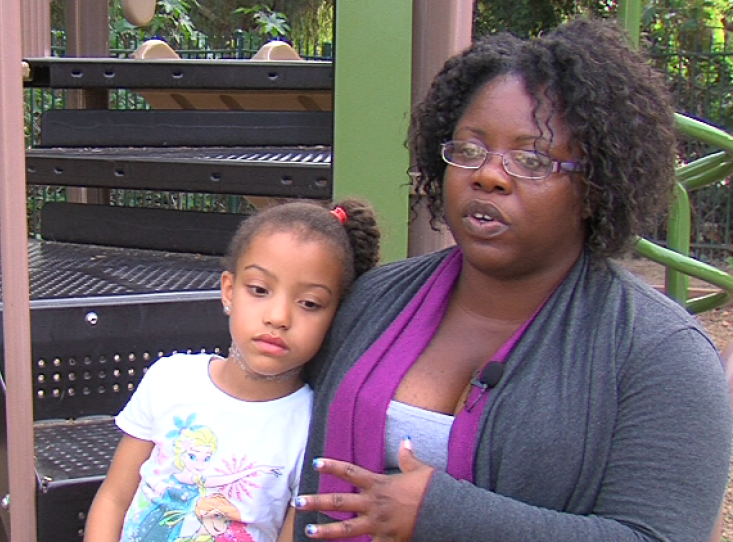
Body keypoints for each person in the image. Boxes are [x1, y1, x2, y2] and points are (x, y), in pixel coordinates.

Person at [291, 17, 733, 542]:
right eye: (471, 150)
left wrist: (445, 516)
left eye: (531, 159)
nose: (489, 175)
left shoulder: (660, 354)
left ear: (594, 187)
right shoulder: (373, 300)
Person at [83, 198, 381, 542]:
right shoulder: (169, 379)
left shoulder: (316, 426)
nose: (278, 317)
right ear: (229, 290)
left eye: (310, 303)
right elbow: (114, 497)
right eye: (259, 290)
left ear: (336, 317)